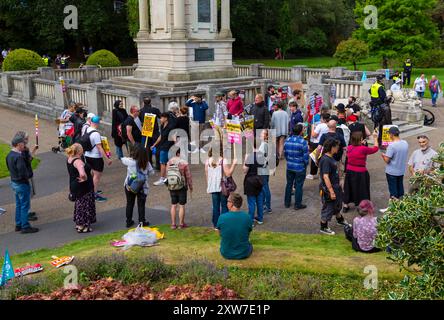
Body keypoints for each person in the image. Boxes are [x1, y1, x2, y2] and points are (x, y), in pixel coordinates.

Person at [6, 133, 39, 234]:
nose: (24, 146)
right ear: (18, 144)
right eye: (23, 144)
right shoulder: (18, 157)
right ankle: (25, 226)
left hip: (14, 182)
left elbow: (9, 169)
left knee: (19, 204)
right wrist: (26, 179)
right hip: (22, 184)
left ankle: (18, 224)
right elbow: (23, 172)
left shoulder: (9, 155)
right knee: (24, 205)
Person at [319, 139, 350, 235]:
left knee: (337, 205)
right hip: (329, 189)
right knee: (328, 207)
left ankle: (339, 219)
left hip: (335, 186)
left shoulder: (330, 158)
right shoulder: (325, 160)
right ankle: (323, 226)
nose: (338, 148)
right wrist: (331, 191)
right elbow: (325, 176)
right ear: (332, 147)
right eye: (337, 146)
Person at [343, 131, 379, 212]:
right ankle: (362, 205)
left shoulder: (349, 147)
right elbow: (375, 149)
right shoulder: (363, 149)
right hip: (361, 171)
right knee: (362, 189)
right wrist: (375, 138)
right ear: (360, 139)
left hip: (350, 170)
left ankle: (345, 205)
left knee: (349, 188)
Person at [121, 144, 154, 228]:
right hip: (142, 187)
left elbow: (122, 159)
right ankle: (141, 221)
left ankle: (128, 221)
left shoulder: (130, 162)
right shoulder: (146, 163)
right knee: (141, 204)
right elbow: (152, 173)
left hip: (129, 186)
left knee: (129, 203)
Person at [205, 144, 237, 229]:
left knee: (215, 207)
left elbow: (207, 174)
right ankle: (224, 224)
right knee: (224, 206)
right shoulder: (223, 160)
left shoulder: (207, 161)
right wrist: (234, 164)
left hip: (213, 187)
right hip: (223, 187)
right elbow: (228, 174)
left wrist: (209, 186)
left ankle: (216, 225)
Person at [66, 143, 96, 233]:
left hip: (74, 184)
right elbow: (82, 173)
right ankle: (83, 226)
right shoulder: (78, 161)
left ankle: (79, 224)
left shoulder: (69, 159)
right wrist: (85, 178)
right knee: (84, 205)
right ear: (79, 151)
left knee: (79, 204)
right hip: (83, 187)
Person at [216, 193, 253, 260]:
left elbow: (219, 233)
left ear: (232, 203)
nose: (226, 203)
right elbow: (248, 234)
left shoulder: (222, 217)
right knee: (249, 244)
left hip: (226, 253)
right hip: (243, 253)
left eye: (228, 201)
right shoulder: (247, 217)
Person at [83, 116, 112, 202]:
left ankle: (91, 190)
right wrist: (107, 159)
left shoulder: (87, 129)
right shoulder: (96, 134)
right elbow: (100, 148)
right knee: (97, 176)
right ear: (97, 123)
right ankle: (94, 195)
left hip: (87, 155)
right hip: (96, 157)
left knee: (92, 173)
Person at [380, 126, 409, 212]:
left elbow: (387, 160)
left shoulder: (392, 146)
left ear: (391, 134)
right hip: (401, 170)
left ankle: (392, 208)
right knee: (400, 188)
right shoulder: (405, 143)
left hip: (392, 171)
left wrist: (383, 155)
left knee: (393, 190)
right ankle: (400, 206)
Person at [284, 124, 309, 210]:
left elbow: (285, 154)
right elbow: (306, 157)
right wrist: (305, 164)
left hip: (290, 166)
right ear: (301, 131)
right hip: (299, 167)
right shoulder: (303, 142)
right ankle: (297, 204)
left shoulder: (287, 140)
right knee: (298, 185)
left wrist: (289, 161)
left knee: (289, 184)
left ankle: (287, 202)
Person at [166, 149, 193, 230]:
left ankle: (173, 224)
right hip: (182, 186)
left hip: (172, 186)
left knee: (173, 205)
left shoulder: (169, 162)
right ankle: (181, 224)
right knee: (181, 205)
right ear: (178, 153)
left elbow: (167, 174)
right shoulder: (184, 163)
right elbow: (188, 176)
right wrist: (191, 186)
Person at [243, 147, 266, 225]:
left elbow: (245, 170)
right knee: (259, 200)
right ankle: (260, 218)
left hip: (250, 181)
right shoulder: (261, 155)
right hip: (259, 179)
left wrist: (245, 160)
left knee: (251, 202)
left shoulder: (250, 156)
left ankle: (251, 221)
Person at [152, 113, 174, 186]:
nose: (160, 119)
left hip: (167, 147)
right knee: (165, 163)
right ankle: (166, 178)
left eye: (161, 118)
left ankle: (162, 178)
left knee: (163, 163)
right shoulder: (162, 126)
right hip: (163, 146)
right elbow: (161, 136)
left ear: (166, 118)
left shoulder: (170, 127)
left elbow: (174, 137)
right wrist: (154, 144)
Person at [139, 97, 161, 170]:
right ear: (150, 102)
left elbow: (140, 121)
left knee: (147, 148)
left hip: (146, 131)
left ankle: (150, 164)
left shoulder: (141, 111)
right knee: (157, 147)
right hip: (155, 131)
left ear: (143, 103)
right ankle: (158, 165)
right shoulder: (155, 110)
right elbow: (161, 117)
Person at [307, 113, 330, 180]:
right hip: (325, 143)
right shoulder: (329, 125)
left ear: (324, 119)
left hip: (317, 143)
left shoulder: (320, 125)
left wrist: (312, 127)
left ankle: (313, 174)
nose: (320, 119)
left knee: (315, 158)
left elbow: (314, 135)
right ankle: (321, 173)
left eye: (321, 118)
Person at [258, 129, 272, 214]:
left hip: (263, 168)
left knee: (265, 188)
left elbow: (260, 158)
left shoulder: (263, 145)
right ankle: (265, 205)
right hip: (266, 168)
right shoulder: (268, 144)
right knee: (264, 187)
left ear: (266, 136)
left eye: (262, 133)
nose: (260, 134)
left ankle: (267, 206)